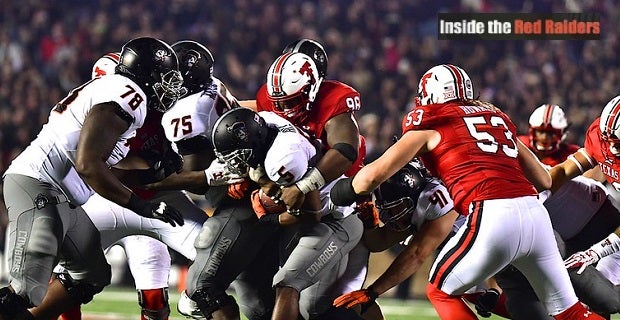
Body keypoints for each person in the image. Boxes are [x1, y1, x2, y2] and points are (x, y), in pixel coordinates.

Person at [329, 64, 603, 319]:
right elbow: (543, 180)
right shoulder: (496, 120)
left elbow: (371, 177)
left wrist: (345, 190)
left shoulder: (431, 125)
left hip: (492, 214)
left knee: (439, 291)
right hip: (535, 214)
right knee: (572, 313)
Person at [0, 37, 186, 319]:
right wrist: (141, 206)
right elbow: (88, 163)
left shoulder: (117, 92)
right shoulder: (128, 93)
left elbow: (103, 156)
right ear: (147, 74)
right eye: (165, 77)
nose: (170, 87)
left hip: (63, 196)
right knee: (25, 290)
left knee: (90, 273)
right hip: (39, 183)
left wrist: (149, 163)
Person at [56, 50, 210, 320]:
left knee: (161, 297)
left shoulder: (161, 105)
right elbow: (104, 170)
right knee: (66, 278)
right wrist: (153, 170)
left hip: (161, 202)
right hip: (107, 201)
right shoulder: (92, 118)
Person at [144, 40, 277, 320]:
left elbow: (198, 178)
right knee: (257, 298)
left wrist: (154, 180)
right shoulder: (211, 85)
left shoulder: (187, 111)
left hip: (238, 200)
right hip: (254, 193)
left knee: (201, 290)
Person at [211, 107, 363, 320]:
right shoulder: (266, 122)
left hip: (335, 219)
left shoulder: (282, 160)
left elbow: (312, 215)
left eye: (238, 156)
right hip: (313, 220)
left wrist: (269, 215)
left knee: (292, 289)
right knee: (299, 304)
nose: (236, 163)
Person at [549, 94, 620, 305]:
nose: (613, 149)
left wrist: (596, 251)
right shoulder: (601, 135)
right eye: (610, 141)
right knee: (599, 300)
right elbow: (566, 170)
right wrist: (536, 190)